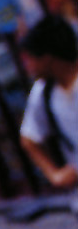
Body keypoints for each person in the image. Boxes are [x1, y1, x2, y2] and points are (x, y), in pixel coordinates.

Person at [19, 14, 78, 192]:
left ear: (47, 57)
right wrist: (54, 174)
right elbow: (29, 139)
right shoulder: (44, 92)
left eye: (31, 58)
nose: (28, 66)